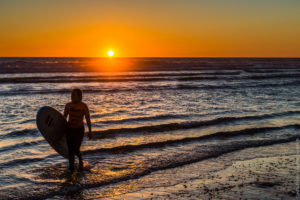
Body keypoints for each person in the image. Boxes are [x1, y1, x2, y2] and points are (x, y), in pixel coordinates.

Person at [64, 88, 92, 172]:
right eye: (71, 94)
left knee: (76, 149)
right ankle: (71, 167)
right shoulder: (68, 105)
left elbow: (88, 119)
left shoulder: (83, 106)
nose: (72, 96)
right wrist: (60, 129)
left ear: (79, 96)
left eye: (74, 94)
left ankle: (80, 159)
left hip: (79, 130)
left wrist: (90, 131)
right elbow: (63, 118)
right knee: (70, 150)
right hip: (69, 129)